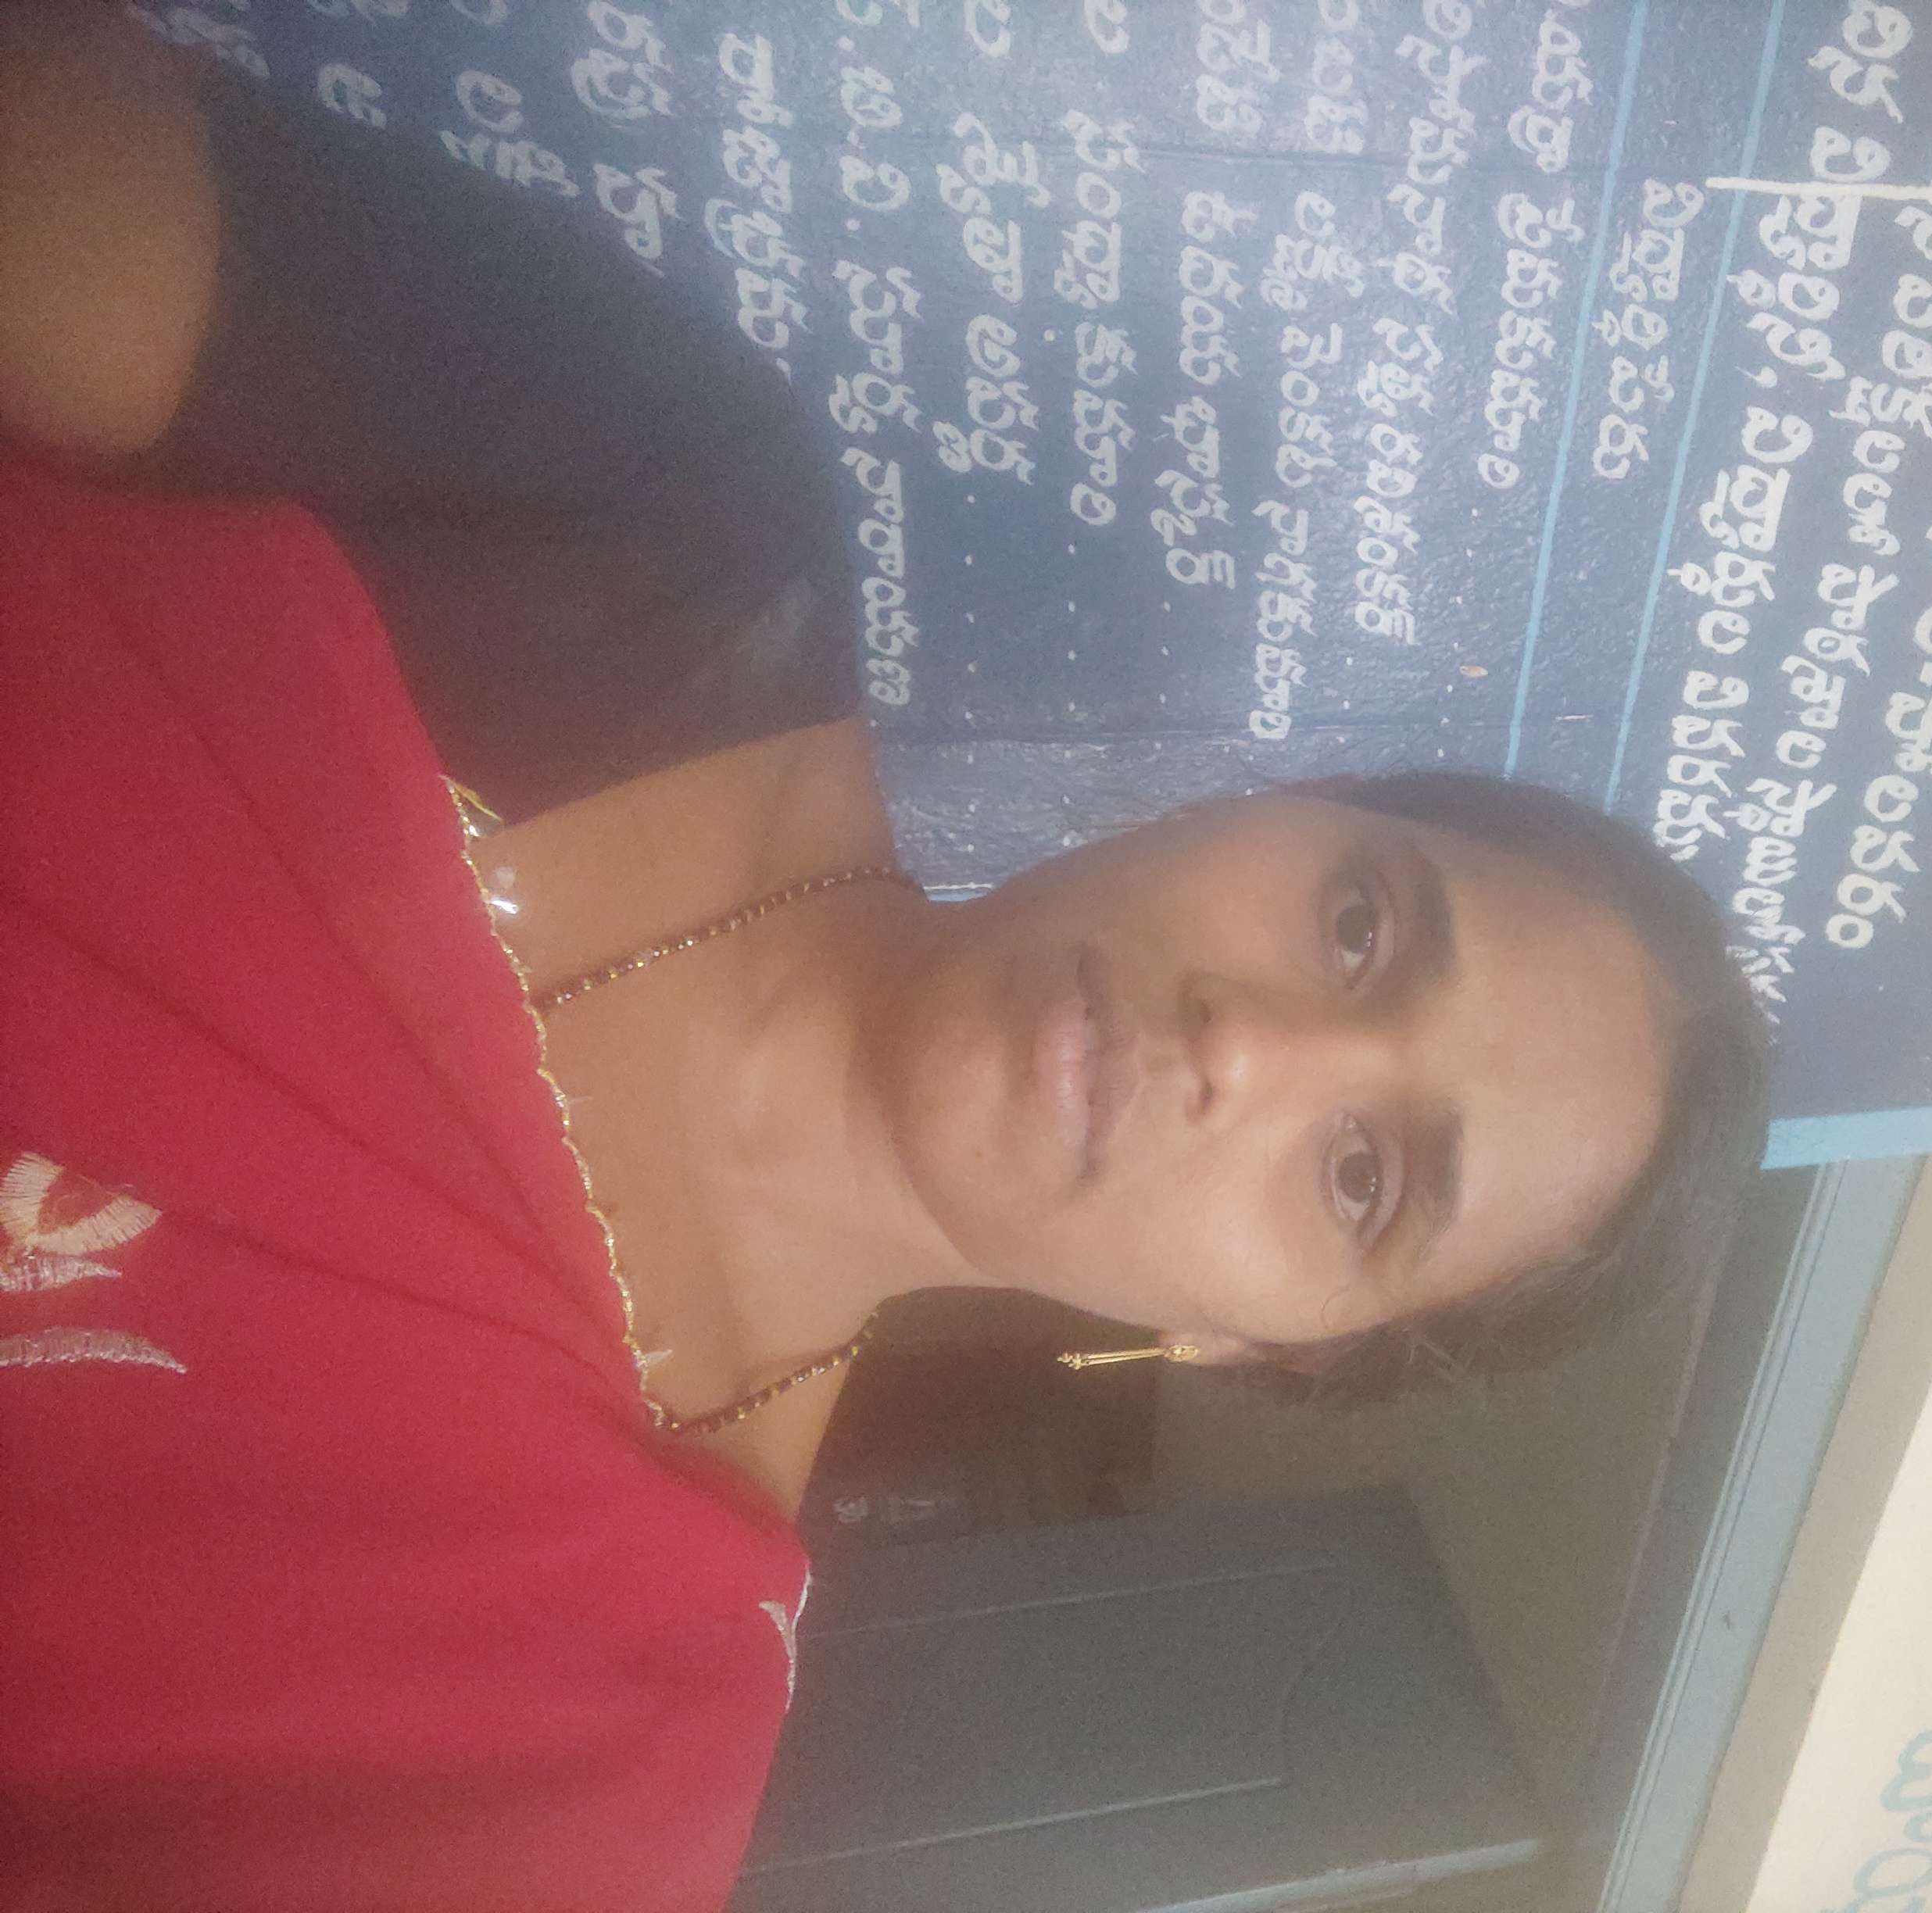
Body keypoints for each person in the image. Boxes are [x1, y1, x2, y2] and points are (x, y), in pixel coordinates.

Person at [0, 11, 1768, 1909]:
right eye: (1361, 923)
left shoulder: (591, 1757)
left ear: (1256, 1347)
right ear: (1266, 801)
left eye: (1365, 1179)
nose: (1250, 1049)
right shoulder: (650, 507)